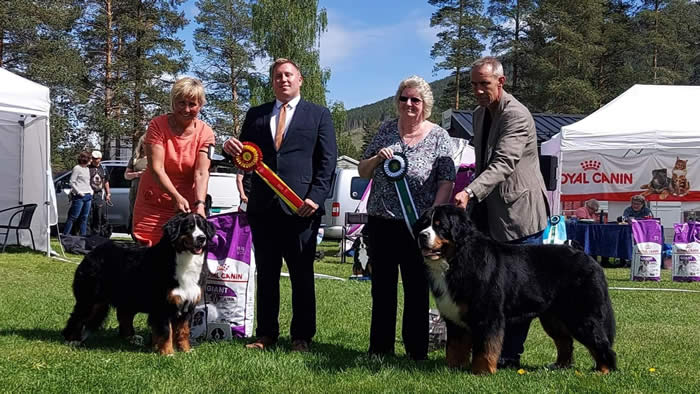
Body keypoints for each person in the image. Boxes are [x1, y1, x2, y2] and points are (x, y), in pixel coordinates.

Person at [223, 58, 337, 352]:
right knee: (268, 274)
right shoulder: (256, 115)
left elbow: (327, 162)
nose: (283, 80)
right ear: (272, 82)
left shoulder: (319, 114)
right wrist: (229, 150)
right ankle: (266, 335)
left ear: (300, 80)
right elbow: (244, 160)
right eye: (277, 76)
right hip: (263, 208)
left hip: (302, 208)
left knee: (302, 275)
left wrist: (316, 196)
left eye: (288, 75)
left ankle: (301, 336)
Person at [454, 57, 549, 369]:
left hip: (520, 214)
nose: (479, 90)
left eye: (485, 84)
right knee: (489, 289)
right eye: (474, 84)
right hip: (489, 215)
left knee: (519, 290)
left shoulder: (516, 115)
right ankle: (486, 349)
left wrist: (470, 191)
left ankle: (509, 356)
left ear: (501, 82)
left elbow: (504, 163)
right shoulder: (479, 114)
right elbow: (482, 162)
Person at [358, 75, 455, 361]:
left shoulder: (438, 136)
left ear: (425, 104)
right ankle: (380, 349)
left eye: (415, 100)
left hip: (419, 227)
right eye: (404, 99)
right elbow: (363, 170)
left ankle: (416, 351)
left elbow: (446, 181)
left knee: (416, 289)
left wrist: (432, 217)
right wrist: (377, 159)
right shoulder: (386, 130)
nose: (409, 104)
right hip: (381, 222)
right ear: (397, 102)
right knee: (382, 288)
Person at [131, 77, 214, 246]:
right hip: (153, 203)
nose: (186, 109)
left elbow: (201, 172)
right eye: (181, 103)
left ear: (200, 105)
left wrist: (200, 203)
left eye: (192, 104)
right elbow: (156, 168)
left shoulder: (206, 133)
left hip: (186, 208)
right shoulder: (157, 125)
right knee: (148, 257)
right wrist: (175, 196)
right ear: (173, 102)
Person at [63, 152, 94, 236]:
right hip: (79, 196)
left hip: (88, 195)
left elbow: (87, 182)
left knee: (84, 217)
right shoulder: (77, 168)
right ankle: (65, 235)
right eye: (90, 158)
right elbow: (71, 182)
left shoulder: (87, 169)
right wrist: (78, 192)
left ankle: (83, 236)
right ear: (85, 159)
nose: (91, 160)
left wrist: (91, 190)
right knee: (74, 217)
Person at [125, 134, 148, 234]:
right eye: (145, 143)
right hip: (135, 190)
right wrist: (137, 174)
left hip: (149, 191)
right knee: (134, 213)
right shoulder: (135, 158)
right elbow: (126, 175)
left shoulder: (155, 157)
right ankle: (134, 234)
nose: (147, 145)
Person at [88, 150, 111, 237]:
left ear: (100, 159)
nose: (94, 160)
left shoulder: (103, 169)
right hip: (89, 194)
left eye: (96, 158)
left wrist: (108, 194)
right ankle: (88, 233)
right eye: (93, 158)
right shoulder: (88, 168)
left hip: (99, 194)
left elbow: (106, 182)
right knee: (89, 215)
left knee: (98, 215)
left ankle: (97, 234)